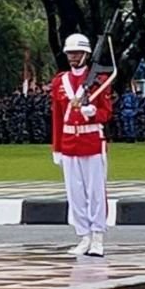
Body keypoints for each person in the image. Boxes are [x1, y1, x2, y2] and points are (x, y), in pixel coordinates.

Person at [50, 33, 113, 257]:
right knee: (75, 193)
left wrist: (93, 112)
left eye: (77, 53)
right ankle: (83, 236)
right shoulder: (60, 81)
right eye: (70, 53)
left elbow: (107, 112)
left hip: (92, 141)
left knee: (95, 192)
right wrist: (56, 147)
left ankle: (97, 237)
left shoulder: (98, 79)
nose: (73, 57)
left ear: (86, 54)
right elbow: (57, 117)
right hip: (69, 143)